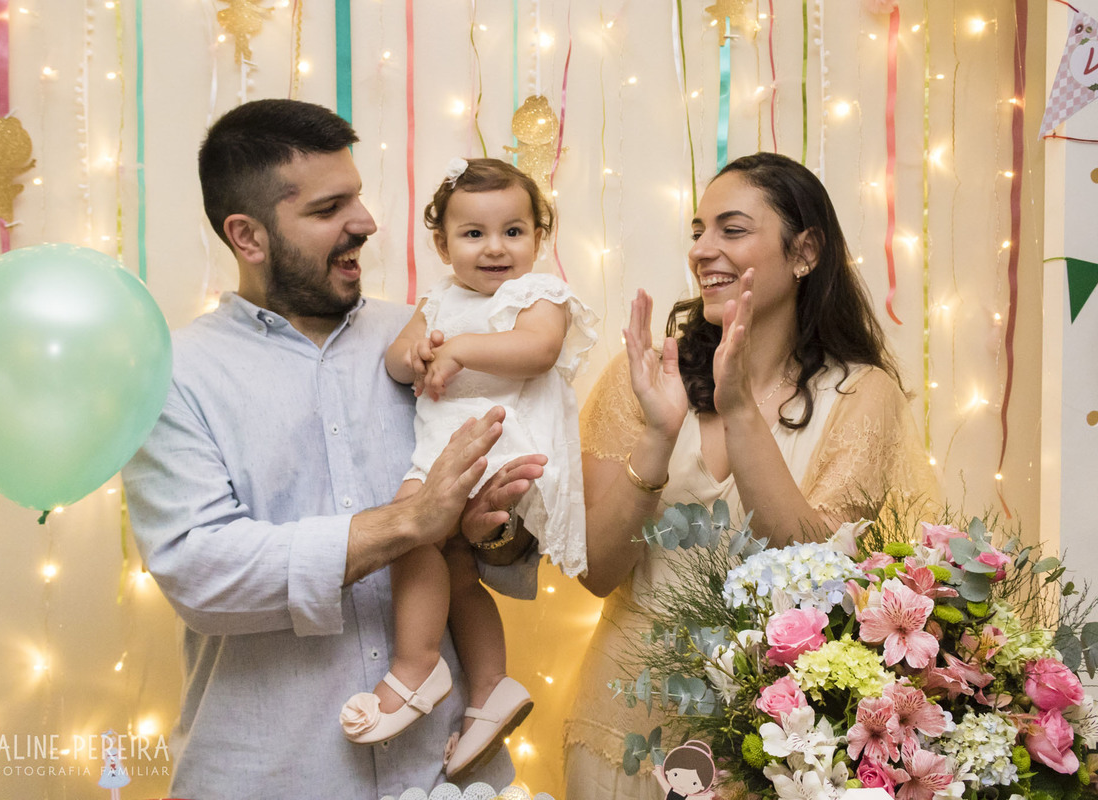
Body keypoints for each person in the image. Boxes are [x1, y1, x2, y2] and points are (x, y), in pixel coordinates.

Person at [121, 99, 546, 799]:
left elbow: (512, 544)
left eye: (357, 196)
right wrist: (409, 522)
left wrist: (484, 535)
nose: (366, 222)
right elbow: (200, 571)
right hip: (271, 774)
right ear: (248, 237)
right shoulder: (171, 376)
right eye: (329, 209)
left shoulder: (434, 338)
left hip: (445, 774)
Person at [562, 152, 940, 799]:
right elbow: (597, 571)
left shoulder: (859, 395)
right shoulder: (646, 377)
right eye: (697, 231)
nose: (703, 249)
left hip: (776, 745)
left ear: (805, 252)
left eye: (732, 230)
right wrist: (658, 436)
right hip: (620, 728)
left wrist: (737, 408)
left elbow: (820, 570)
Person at [339, 158, 596, 780]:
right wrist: (417, 349)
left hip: (498, 442)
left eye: (514, 231)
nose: (496, 248)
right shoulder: (439, 302)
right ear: (442, 244)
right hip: (450, 449)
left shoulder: (539, 295)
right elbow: (400, 363)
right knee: (454, 570)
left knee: (408, 532)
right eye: (473, 234)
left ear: (539, 237)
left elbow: (537, 350)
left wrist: (457, 348)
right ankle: (488, 687)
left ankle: (415, 663)